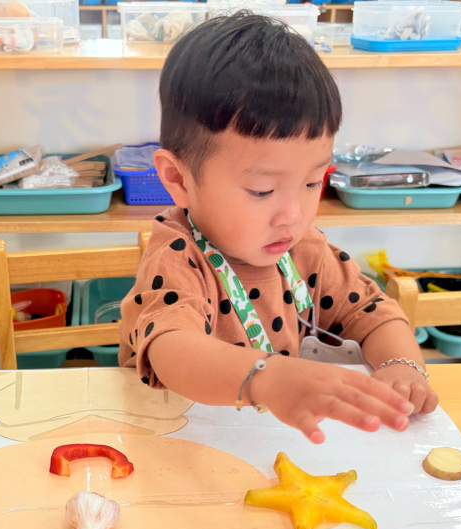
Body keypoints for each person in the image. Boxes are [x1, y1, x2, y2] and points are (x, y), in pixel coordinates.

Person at [118, 11, 438, 444]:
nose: (293, 214)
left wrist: (401, 366)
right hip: (174, 438)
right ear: (179, 179)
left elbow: (371, 312)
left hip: (265, 439)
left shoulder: (305, 251)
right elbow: (171, 350)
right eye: (262, 190)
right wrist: (266, 378)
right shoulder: (177, 258)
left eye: (312, 182)